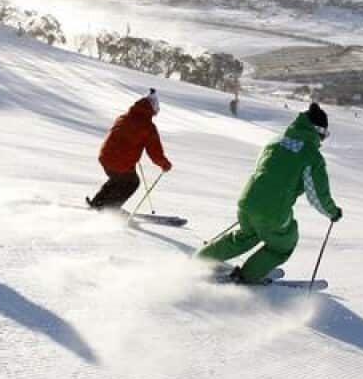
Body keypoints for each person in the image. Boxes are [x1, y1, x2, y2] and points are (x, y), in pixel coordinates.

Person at [198, 103, 343, 283]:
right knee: (283, 243)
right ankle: (248, 275)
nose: (323, 140)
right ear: (318, 131)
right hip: (274, 213)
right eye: (325, 135)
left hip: (247, 201)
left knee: (245, 236)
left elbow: (262, 170)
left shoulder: (275, 141)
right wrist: (333, 212)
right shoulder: (311, 156)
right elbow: (317, 196)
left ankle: (200, 260)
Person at [86, 89, 172, 210]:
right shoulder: (148, 127)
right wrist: (165, 164)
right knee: (132, 182)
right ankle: (110, 209)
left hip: (105, 157)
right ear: (152, 109)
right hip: (120, 162)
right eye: (156, 111)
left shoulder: (123, 117)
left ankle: (97, 203)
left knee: (118, 179)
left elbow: (122, 136)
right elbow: (155, 153)